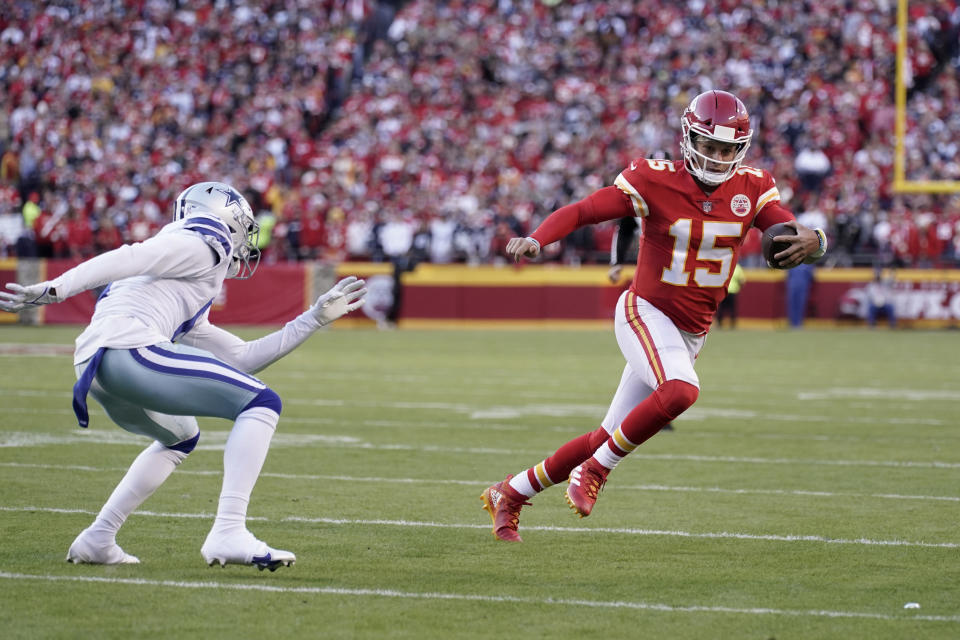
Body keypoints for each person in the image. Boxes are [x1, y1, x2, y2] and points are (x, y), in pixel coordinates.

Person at [480, 90, 827, 542]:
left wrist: (816, 241)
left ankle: (510, 492)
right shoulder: (654, 178)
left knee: (606, 433)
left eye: (727, 149)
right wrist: (540, 238)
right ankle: (597, 471)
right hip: (646, 310)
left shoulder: (754, 186)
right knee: (681, 391)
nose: (718, 157)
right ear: (688, 139)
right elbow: (587, 209)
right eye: (709, 145)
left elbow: (787, 231)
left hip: (689, 330)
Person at [0, 182, 367, 569]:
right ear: (224, 219)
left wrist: (311, 320)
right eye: (243, 226)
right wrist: (58, 287)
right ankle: (228, 530)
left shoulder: (183, 286)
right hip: (129, 347)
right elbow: (131, 256)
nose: (246, 241)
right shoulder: (204, 243)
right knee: (263, 403)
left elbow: (239, 359)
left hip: (99, 361)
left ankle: (98, 537)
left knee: (180, 437)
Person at [715, 263, 746, 328]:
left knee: (722, 308)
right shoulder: (738, 268)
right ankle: (732, 324)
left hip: (724, 291)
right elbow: (741, 280)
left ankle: (719, 323)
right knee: (732, 308)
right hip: (733, 291)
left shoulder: (725, 266)